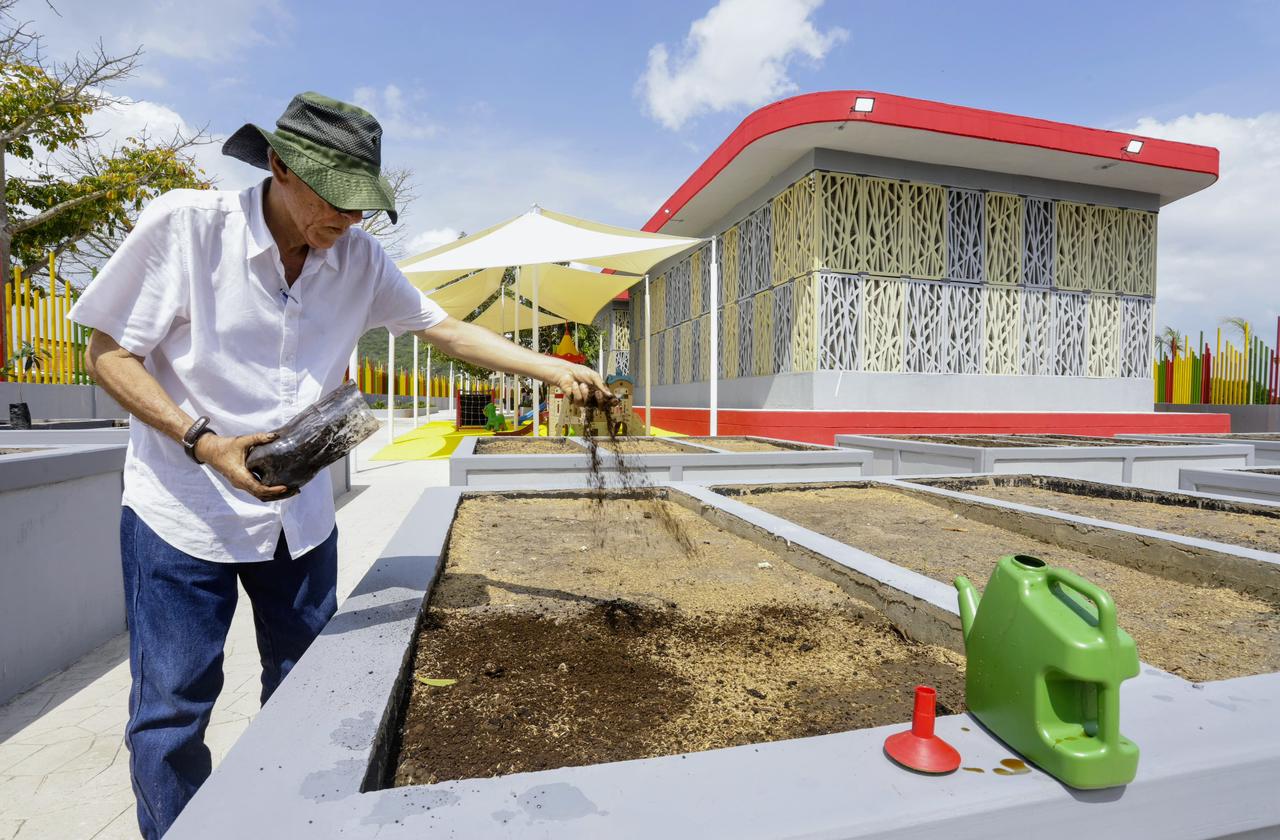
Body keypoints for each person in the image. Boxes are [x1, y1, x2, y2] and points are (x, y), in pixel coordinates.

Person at [69, 91, 608, 840]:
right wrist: (203, 440)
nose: (349, 222)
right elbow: (108, 351)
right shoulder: (186, 229)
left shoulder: (358, 258)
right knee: (171, 709)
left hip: (298, 519)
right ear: (280, 167)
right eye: (336, 201)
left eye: (362, 206)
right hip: (182, 510)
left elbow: (443, 329)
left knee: (305, 694)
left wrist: (550, 370)